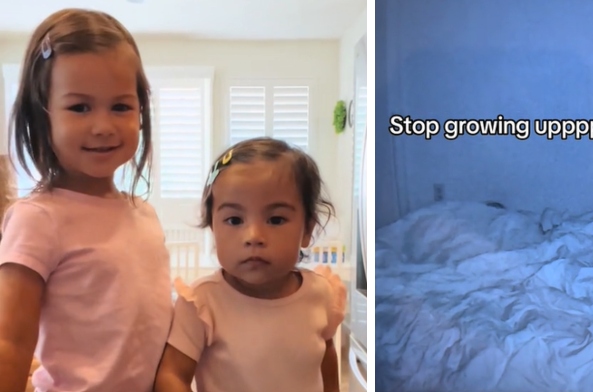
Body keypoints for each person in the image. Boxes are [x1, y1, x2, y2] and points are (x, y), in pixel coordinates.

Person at [0, 9, 173, 392]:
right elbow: (10, 344)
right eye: (79, 107)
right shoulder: (37, 219)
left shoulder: (145, 215)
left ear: (140, 112)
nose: (103, 126)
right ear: (42, 116)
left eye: (120, 106)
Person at [154, 138, 347, 392]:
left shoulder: (320, 294)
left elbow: (324, 353)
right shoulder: (202, 304)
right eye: (234, 220)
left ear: (307, 229)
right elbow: (171, 376)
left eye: (276, 219)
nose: (253, 236)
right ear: (214, 229)